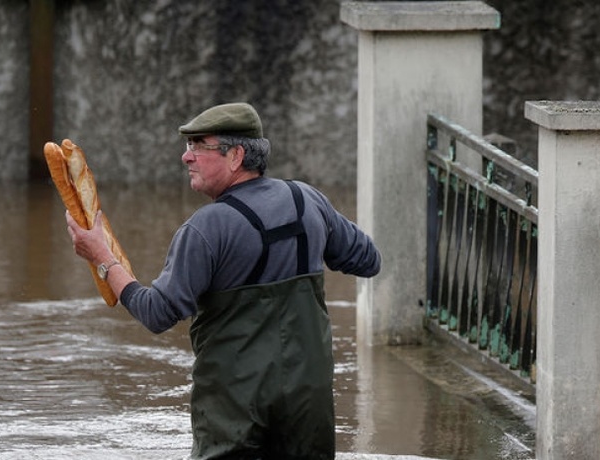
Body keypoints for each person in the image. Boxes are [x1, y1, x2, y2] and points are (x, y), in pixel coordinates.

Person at [66, 102, 381, 459]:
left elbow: (157, 313)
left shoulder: (205, 229)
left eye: (199, 146)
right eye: (188, 147)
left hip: (235, 409)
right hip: (308, 400)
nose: (187, 157)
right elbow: (368, 260)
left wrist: (104, 261)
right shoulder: (308, 200)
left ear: (236, 156)